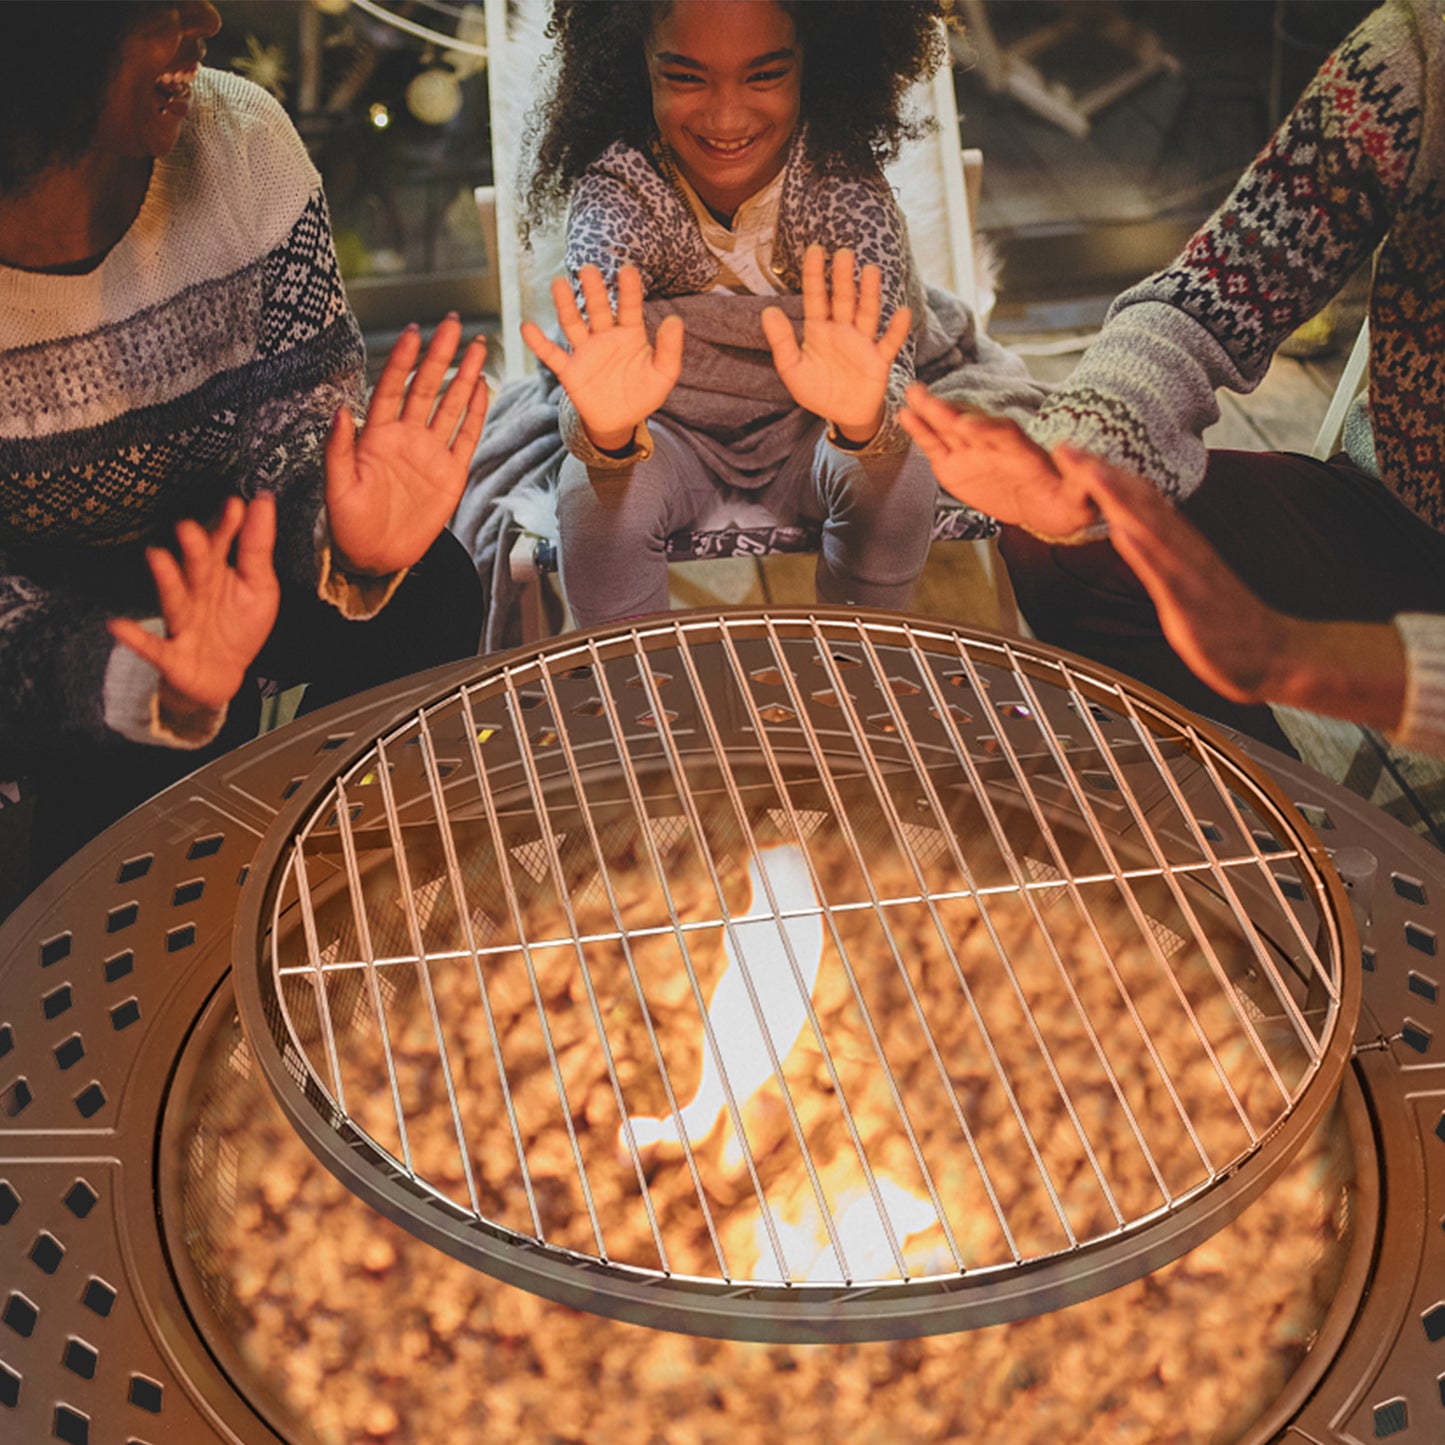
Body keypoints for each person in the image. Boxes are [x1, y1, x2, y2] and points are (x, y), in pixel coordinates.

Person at [0, 2, 490, 889]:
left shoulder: (238, 138)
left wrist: (344, 536)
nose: (208, 19)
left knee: (432, 585)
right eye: (158, 7)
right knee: (138, 774)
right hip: (42, 617)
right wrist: (140, 674)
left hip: (224, 541)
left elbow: (296, 417)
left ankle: (346, 884)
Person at [899, 0, 1445, 759]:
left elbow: (1276, 654)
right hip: (1403, 519)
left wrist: (1292, 657)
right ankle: (1265, 835)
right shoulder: (1424, 48)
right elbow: (1218, 288)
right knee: (1066, 546)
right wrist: (1084, 453)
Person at [458, 0, 1044, 635]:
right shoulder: (619, 192)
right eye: (685, 77)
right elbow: (600, 369)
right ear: (638, 67)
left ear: (812, 66)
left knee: (901, 475)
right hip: (668, 436)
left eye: (764, 75)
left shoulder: (842, 186)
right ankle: (639, 693)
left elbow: (883, 382)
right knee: (591, 498)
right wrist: (608, 431)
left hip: (811, 432)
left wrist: (860, 417)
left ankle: (855, 664)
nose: (726, 115)